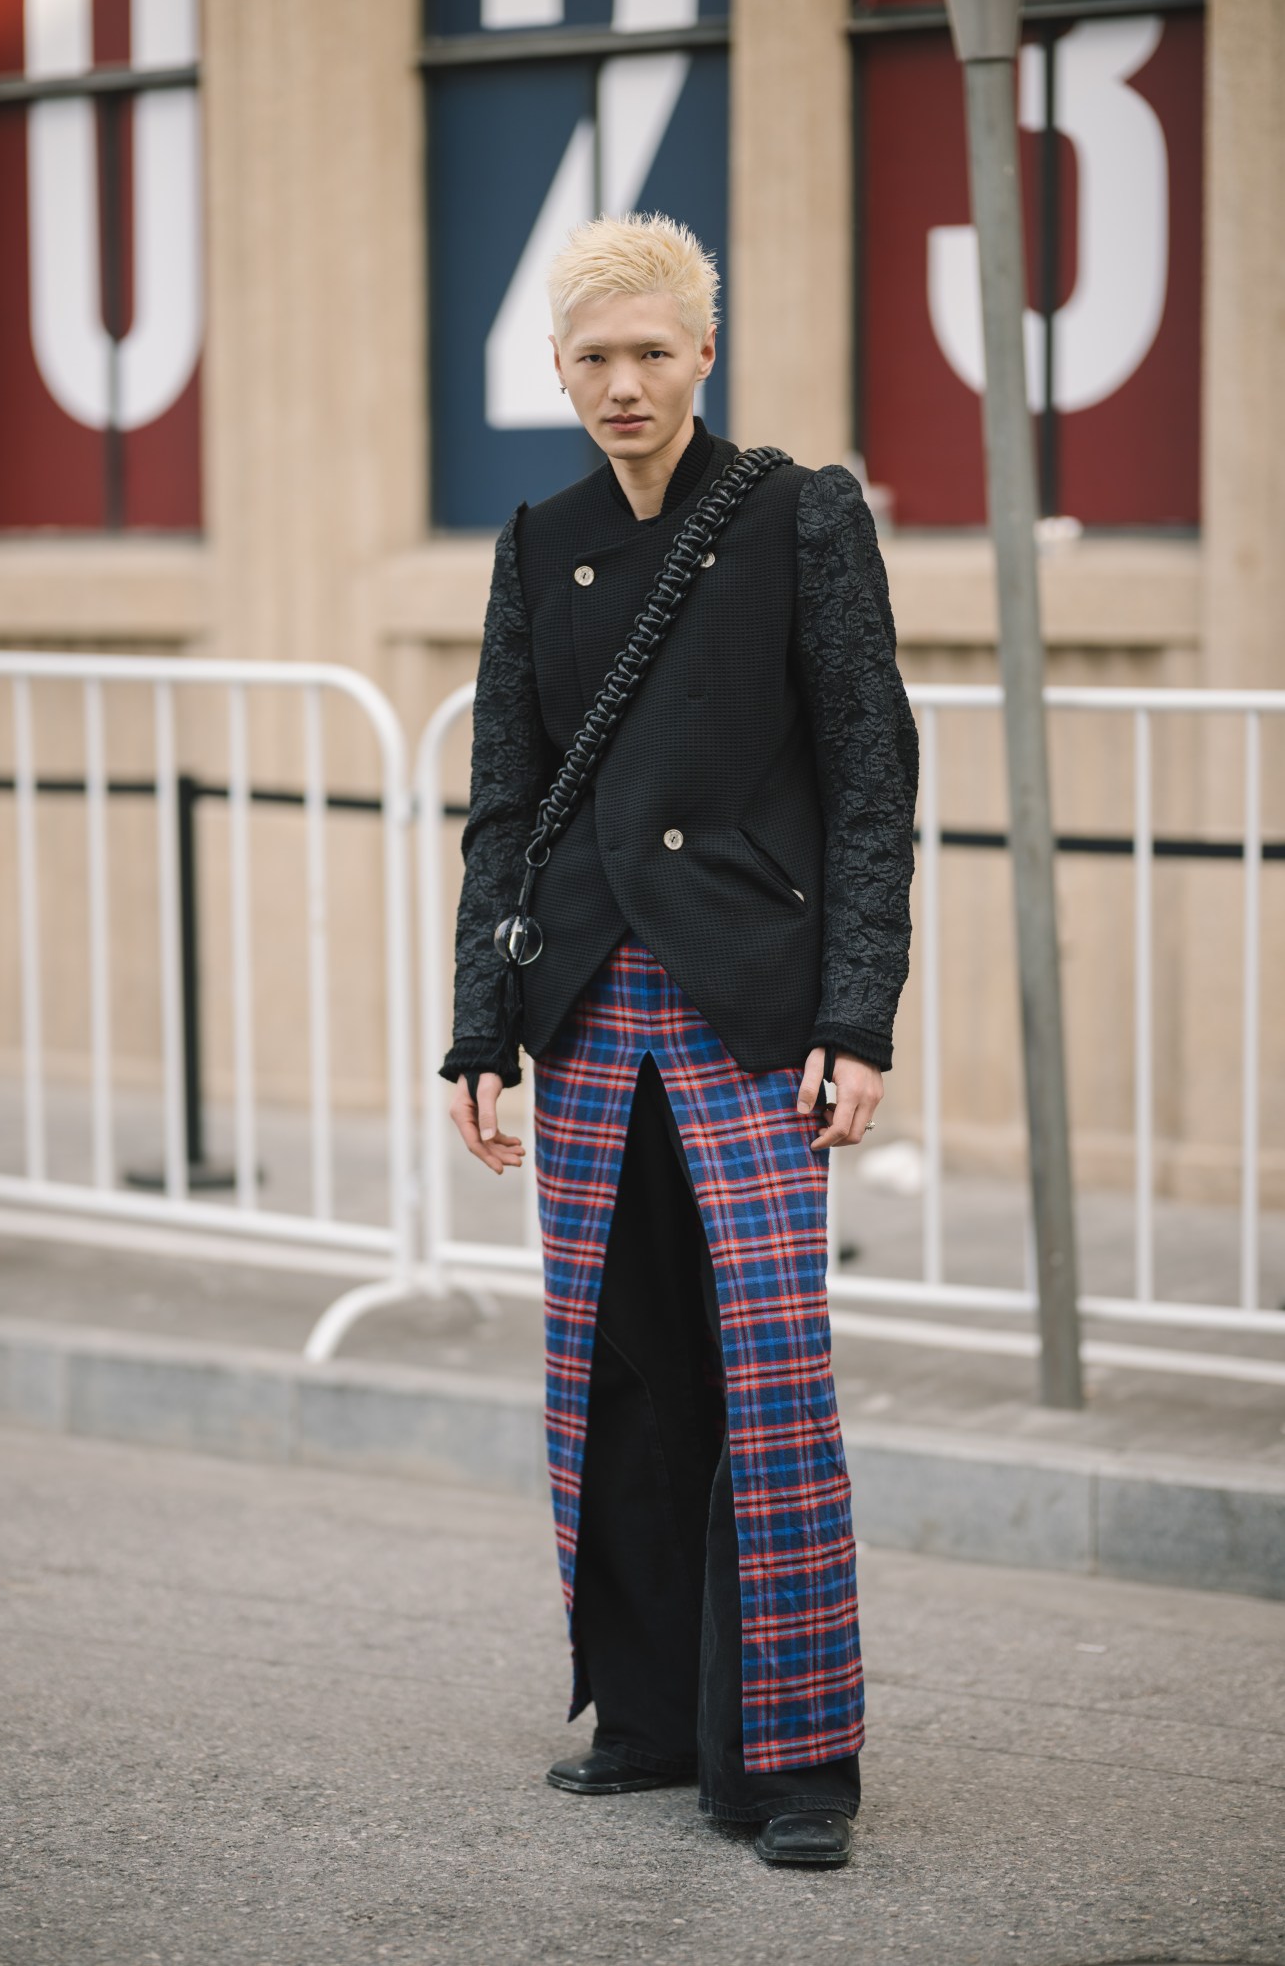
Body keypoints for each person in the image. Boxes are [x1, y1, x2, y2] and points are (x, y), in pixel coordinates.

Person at [439, 210, 918, 1868]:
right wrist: (476, 1027)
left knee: (770, 1378)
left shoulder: (798, 517)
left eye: (652, 351)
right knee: (617, 1368)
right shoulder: (537, 539)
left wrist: (857, 1014)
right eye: (592, 358)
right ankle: (643, 1714)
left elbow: (871, 779)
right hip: (584, 1010)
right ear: (557, 369)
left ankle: (795, 1760)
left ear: (702, 353)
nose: (623, 384)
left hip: (745, 1008)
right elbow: (504, 800)